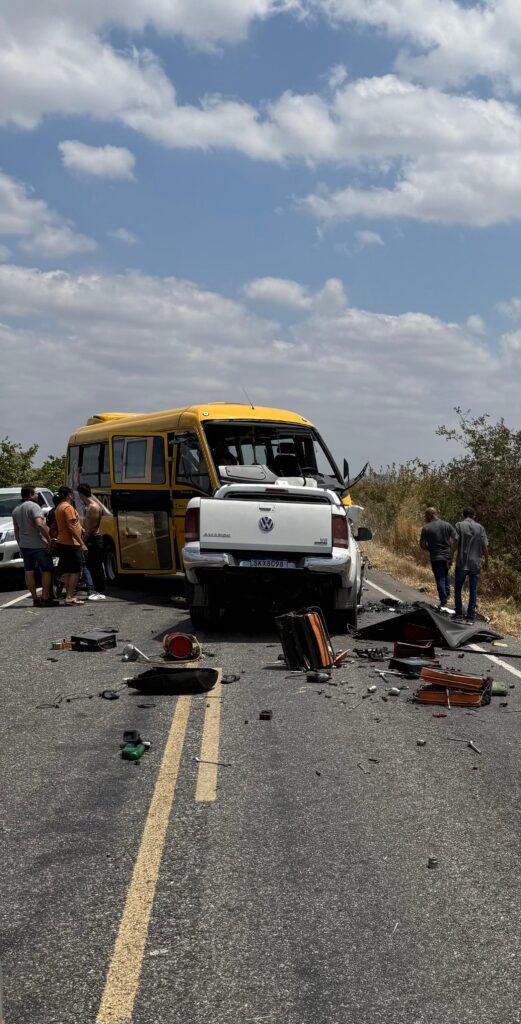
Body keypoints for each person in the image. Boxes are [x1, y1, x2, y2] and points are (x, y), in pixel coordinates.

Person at [12, 486, 58, 606]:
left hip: (24, 546)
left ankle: (35, 598)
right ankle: (45, 597)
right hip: (38, 545)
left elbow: (16, 530)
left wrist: (20, 544)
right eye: (36, 493)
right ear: (31, 494)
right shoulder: (34, 506)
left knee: (29, 571)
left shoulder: (16, 510)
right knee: (47, 570)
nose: (38, 495)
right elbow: (39, 524)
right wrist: (49, 540)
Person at [453, 508, 488, 623]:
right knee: (473, 589)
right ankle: (470, 616)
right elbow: (485, 546)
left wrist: (449, 557)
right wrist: (486, 561)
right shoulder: (480, 528)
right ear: (474, 515)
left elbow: (454, 543)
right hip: (475, 564)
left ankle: (458, 613)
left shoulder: (459, 525)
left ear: (463, 515)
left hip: (462, 562)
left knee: (458, 587)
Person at [55, 485, 88, 606]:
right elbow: (71, 527)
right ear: (69, 494)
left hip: (63, 542)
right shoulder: (68, 507)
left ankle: (69, 595)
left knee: (68, 571)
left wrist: (81, 528)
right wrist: (82, 543)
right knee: (76, 571)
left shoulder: (60, 506)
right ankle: (69, 596)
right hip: (70, 543)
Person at [419, 507, 457, 609]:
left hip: (436, 557)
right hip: (447, 556)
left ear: (429, 515)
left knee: (439, 577)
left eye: (425, 515)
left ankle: (443, 600)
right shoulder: (447, 525)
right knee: (445, 574)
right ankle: (447, 594)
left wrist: (430, 548)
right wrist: (451, 552)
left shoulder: (426, 528)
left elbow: (422, 544)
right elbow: (456, 539)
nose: (425, 517)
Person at [77, 483, 106, 599]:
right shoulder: (89, 506)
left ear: (81, 494)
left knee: (95, 566)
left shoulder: (93, 507)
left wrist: (82, 541)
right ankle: (95, 589)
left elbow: (92, 527)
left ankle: (99, 590)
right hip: (90, 538)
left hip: (93, 539)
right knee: (91, 565)